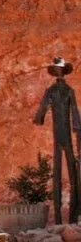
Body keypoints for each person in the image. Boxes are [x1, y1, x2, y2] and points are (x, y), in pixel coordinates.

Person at [33, 58, 81, 224]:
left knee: (73, 173)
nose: (59, 72)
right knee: (58, 174)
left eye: (60, 69)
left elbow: (74, 111)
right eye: (57, 69)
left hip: (66, 135)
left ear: (63, 71)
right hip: (58, 135)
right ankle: (59, 220)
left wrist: (77, 128)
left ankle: (74, 216)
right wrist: (39, 117)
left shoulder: (68, 90)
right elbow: (43, 107)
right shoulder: (51, 91)